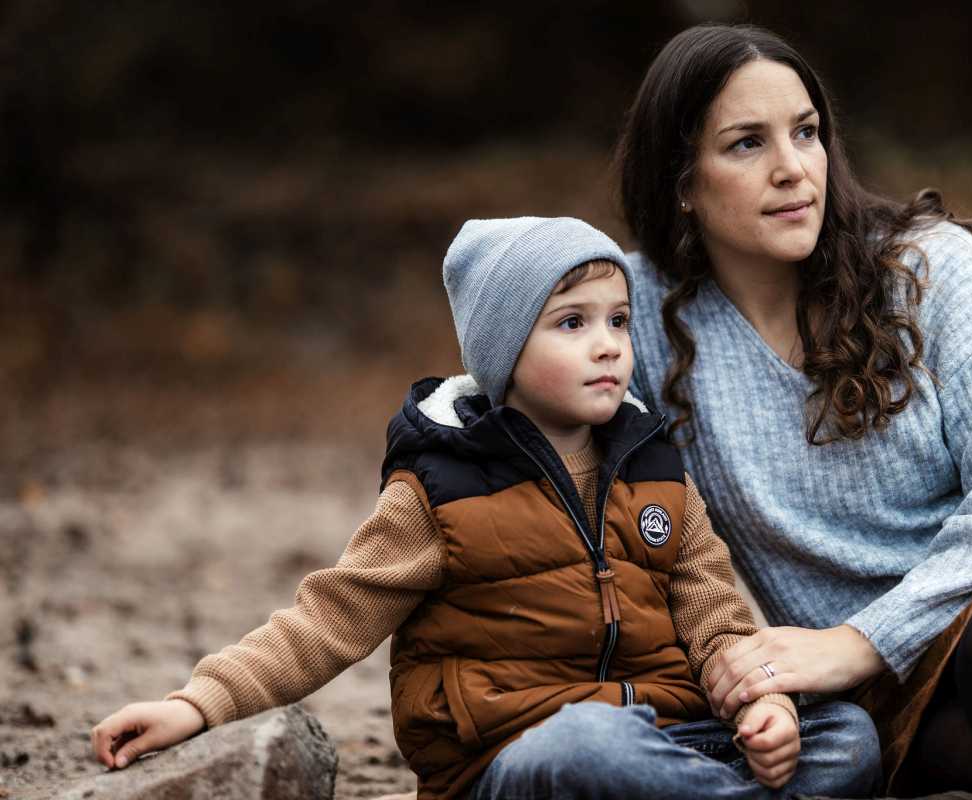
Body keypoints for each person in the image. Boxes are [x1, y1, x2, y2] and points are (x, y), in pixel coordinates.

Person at [89, 216, 882, 799]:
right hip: (511, 758)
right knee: (583, 748)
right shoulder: (440, 486)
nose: (608, 344)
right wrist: (197, 704)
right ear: (504, 354)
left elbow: (715, 614)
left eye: (617, 321)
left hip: (667, 739)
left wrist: (765, 705)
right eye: (571, 324)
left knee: (846, 738)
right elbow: (329, 618)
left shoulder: (655, 463)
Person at [615, 23, 972, 800]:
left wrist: (859, 640)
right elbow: (519, 382)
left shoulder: (922, 267)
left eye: (807, 133)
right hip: (904, 681)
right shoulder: (642, 320)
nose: (794, 169)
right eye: (747, 144)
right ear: (681, 181)